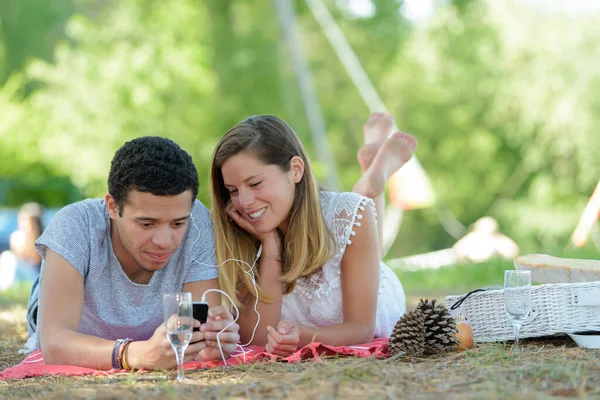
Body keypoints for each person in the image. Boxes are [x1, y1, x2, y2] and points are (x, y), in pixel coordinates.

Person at [23, 137, 240, 370]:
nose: (164, 242)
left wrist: (211, 342)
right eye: (147, 224)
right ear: (113, 207)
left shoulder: (197, 221)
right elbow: (54, 344)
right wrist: (135, 354)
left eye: (178, 224)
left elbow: (196, 332)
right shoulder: (74, 225)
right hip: (73, 294)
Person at [210, 113, 416, 356]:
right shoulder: (240, 231)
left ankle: (370, 185)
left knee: (357, 212)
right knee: (360, 218)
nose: (243, 202)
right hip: (325, 235)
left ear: (295, 170)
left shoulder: (347, 216)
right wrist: (270, 246)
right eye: (232, 190)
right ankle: (370, 177)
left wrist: (303, 336)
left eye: (255, 184)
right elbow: (256, 337)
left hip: (374, 296)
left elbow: (361, 329)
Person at [0, 203, 43, 291]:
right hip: (19, 277)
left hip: (35, 277)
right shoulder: (17, 237)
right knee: (8, 257)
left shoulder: (42, 240)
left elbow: (37, 261)